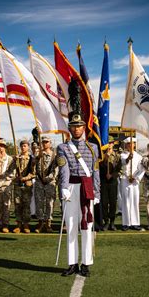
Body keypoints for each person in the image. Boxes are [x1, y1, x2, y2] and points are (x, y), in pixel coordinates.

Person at [57, 111, 100, 277]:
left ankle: (86, 263)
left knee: (87, 226)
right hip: (72, 188)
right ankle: (72, 263)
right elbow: (64, 169)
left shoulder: (93, 147)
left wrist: (96, 192)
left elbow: (95, 172)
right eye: (73, 126)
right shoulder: (62, 147)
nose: (76, 129)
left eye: (79, 126)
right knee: (71, 225)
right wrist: (64, 187)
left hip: (87, 188)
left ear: (84, 127)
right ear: (69, 128)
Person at [119, 137, 145, 231]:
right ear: (126, 145)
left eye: (132, 143)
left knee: (134, 201)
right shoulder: (123, 155)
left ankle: (135, 223)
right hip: (125, 180)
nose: (131, 145)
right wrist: (128, 158)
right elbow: (124, 162)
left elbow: (141, 169)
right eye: (129, 144)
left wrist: (135, 178)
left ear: (134, 144)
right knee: (126, 201)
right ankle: (126, 223)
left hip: (134, 181)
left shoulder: (139, 156)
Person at [0, 139, 15, 233]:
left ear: (5, 147)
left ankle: (5, 224)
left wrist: (5, 176)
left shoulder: (10, 159)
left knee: (6, 205)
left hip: (6, 184)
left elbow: (12, 172)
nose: (0, 147)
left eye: (2, 145)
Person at [34, 136, 58, 233]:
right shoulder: (38, 154)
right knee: (39, 202)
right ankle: (40, 222)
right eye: (43, 142)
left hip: (50, 182)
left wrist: (48, 178)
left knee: (50, 203)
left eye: (46, 142)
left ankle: (48, 223)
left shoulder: (54, 155)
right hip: (39, 181)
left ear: (50, 143)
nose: (44, 144)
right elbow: (33, 166)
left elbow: (56, 169)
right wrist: (37, 157)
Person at [12, 140, 35, 234]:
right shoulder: (17, 158)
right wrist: (15, 160)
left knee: (26, 205)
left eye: (25, 146)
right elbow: (11, 169)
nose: (23, 147)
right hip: (17, 184)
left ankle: (26, 224)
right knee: (17, 205)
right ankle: (18, 224)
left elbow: (34, 172)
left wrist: (26, 178)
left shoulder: (31, 158)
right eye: (22, 146)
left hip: (27, 184)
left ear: (28, 147)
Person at [99, 137, 121, 231]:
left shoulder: (117, 156)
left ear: (113, 144)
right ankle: (106, 222)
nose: (110, 144)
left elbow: (119, 168)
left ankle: (112, 222)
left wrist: (111, 175)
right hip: (104, 181)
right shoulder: (102, 156)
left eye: (111, 143)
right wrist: (105, 159)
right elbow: (99, 168)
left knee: (113, 202)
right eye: (108, 143)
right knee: (104, 202)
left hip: (113, 182)